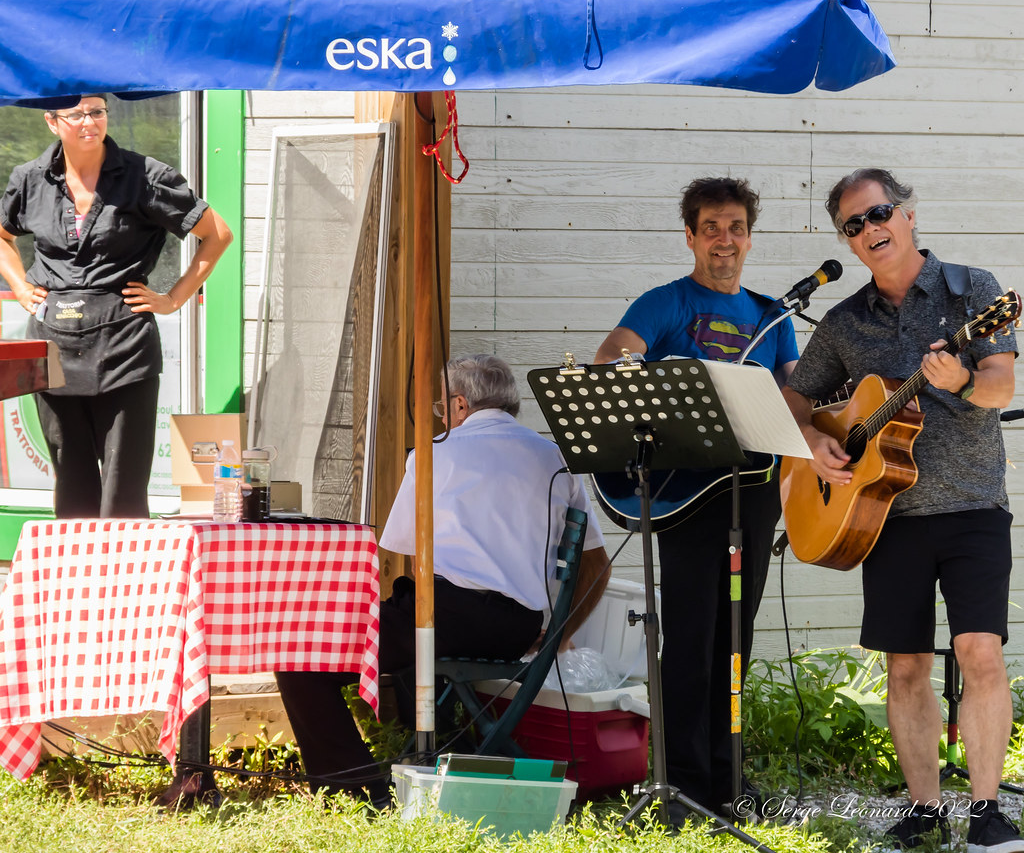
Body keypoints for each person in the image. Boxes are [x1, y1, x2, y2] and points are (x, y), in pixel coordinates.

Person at [782, 168, 1020, 853]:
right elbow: (796, 404)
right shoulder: (843, 321)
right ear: (848, 243)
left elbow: (1000, 386)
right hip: (883, 517)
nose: (869, 229)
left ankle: (985, 811)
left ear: (908, 214)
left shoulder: (970, 291)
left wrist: (964, 377)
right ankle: (922, 811)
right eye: (853, 225)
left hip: (973, 504)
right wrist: (814, 444)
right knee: (906, 665)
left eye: (878, 213)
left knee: (980, 652)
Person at [275, 353, 611, 802]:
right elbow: (597, 564)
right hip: (521, 627)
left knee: (302, 658)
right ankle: (441, 753)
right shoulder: (554, 457)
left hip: (448, 618)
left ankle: (354, 792)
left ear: (458, 404)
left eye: (440, 407)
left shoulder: (434, 454)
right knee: (408, 631)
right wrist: (558, 634)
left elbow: (399, 547)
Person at [594, 177, 798, 816]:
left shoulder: (774, 316)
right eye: (711, 227)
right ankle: (680, 781)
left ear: (748, 237)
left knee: (736, 636)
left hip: (753, 493)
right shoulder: (666, 302)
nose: (725, 240)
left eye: (735, 227)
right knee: (688, 638)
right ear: (690, 235)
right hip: (686, 492)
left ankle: (728, 780)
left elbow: (796, 399)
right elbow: (612, 358)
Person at [0, 95, 233, 519]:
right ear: (53, 122)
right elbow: (2, 235)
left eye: (97, 112)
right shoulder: (30, 178)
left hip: (125, 343)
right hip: (53, 346)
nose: (89, 122)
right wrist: (19, 284)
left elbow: (217, 234)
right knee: (70, 475)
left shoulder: (145, 176)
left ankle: (126, 581)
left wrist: (173, 298)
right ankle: (76, 581)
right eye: (77, 114)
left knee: (124, 484)